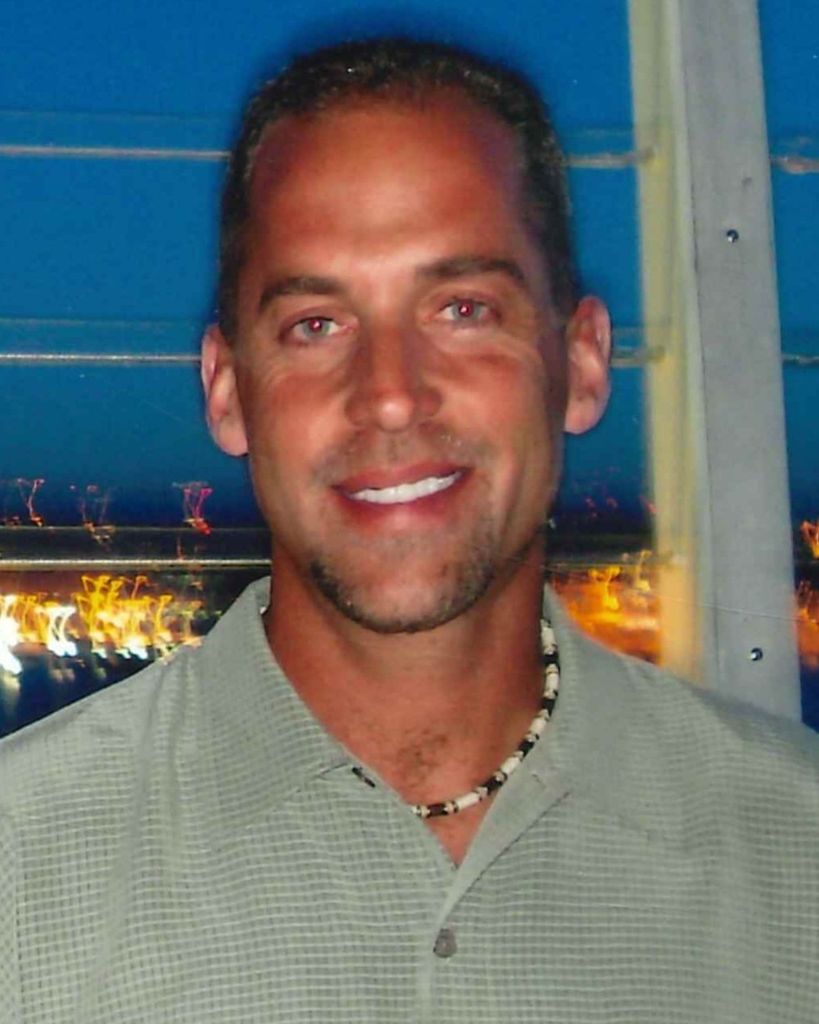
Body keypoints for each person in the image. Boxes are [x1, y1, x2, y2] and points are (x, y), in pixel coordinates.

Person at [2, 36, 819, 1024]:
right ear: (226, 390)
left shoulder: (793, 858)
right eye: (316, 324)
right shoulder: (24, 874)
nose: (390, 395)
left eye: (461, 309)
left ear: (582, 363)